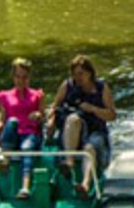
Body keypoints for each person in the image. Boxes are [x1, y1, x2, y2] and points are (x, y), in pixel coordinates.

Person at [50, 54, 116, 196]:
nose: (78, 77)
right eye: (75, 74)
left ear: (90, 73)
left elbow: (112, 115)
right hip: (73, 131)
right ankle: (69, 161)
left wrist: (93, 109)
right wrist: (50, 122)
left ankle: (85, 185)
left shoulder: (101, 88)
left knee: (89, 148)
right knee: (73, 119)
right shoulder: (67, 86)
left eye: (81, 74)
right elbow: (54, 107)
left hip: (95, 131)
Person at [0, 57, 45, 198]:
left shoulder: (37, 95)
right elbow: (2, 120)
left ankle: (25, 187)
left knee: (27, 148)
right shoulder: (5, 96)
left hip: (30, 134)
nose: (21, 81)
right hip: (12, 135)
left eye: (24, 77)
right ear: (13, 77)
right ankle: (6, 157)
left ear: (29, 78)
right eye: (18, 77)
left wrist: (37, 115)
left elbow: (43, 118)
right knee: (12, 121)